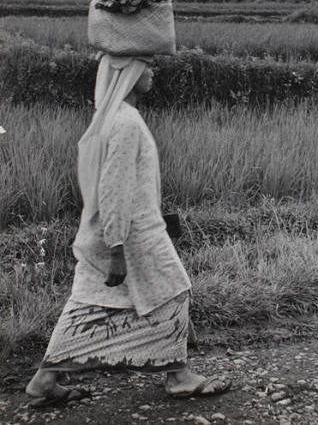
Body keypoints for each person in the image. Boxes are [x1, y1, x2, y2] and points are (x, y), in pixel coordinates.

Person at [25, 54, 231, 407]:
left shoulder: (116, 118)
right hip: (131, 236)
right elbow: (115, 189)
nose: (151, 72)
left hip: (125, 231)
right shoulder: (125, 122)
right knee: (174, 292)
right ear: (128, 74)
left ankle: (45, 379)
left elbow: (129, 186)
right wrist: (117, 246)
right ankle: (178, 377)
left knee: (88, 303)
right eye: (145, 66)